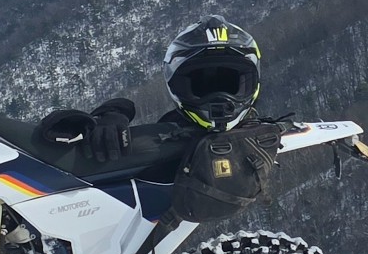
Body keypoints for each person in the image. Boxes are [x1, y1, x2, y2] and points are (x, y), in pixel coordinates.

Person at [45, 15, 262, 162]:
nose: (219, 98)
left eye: (227, 82)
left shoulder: (267, 138)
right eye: (202, 85)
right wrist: (108, 118)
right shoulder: (166, 139)